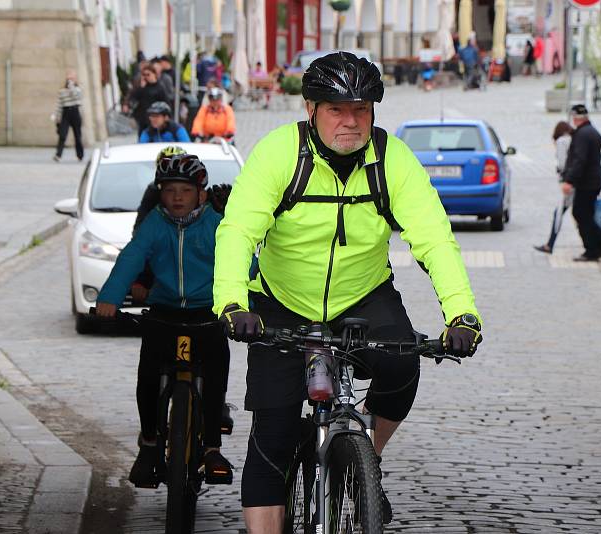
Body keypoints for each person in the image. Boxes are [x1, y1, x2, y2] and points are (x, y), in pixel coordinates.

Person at [212, 51, 482, 532]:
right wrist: (232, 302)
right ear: (310, 109)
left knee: (402, 364)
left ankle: (363, 462)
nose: (351, 122)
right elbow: (238, 231)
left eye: (361, 110)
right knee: (272, 436)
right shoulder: (279, 153)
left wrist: (461, 313)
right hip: (281, 302)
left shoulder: (391, 159)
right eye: (337, 109)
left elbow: (435, 238)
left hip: (363, 295)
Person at [95, 153, 235, 487]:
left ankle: (212, 447)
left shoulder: (216, 222)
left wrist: (251, 303)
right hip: (164, 311)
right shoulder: (155, 223)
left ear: (201, 193)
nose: (176, 197)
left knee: (216, 372)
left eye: (184, 191)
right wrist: (109, 299)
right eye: (169, 190)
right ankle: (149, 442)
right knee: (148, 374)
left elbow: (240, 260)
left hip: (206, 312)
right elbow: (132, 257)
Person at [561, 104, 601, 261]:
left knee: (581, 214)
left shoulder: (582, 135)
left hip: (586, 182)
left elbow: (579, 161)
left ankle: (593, 248)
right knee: (585, 214)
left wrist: (569, 180)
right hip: (593, 180)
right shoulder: (593, 132)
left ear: (575, 118)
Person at [534, 121, 575, 254]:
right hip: (578, 182)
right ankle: (550, 244)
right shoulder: (574, 139)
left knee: (559, 214)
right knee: (580, 214)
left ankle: (550, 244)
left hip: (569, 185)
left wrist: (564, 180)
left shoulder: (561, 142)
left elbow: (563, 163)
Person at [126, 65, 170, 136]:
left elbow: (165, 101)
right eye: (144, 75)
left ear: (154, 74)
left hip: (156, 118)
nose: (146, 77)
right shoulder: (142, 87)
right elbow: (134, 97)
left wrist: (166, 115)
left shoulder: (159, 87)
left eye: (148, 74)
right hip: (143, 118)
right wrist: (141, 87)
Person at [53, 71, 84, 162]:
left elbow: (76, 96)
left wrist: (71, 87)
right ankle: (58, 155)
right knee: (62, 135)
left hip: (75, 112)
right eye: (69, 79)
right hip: (65, 113)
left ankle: (80, 155)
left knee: (77, 135)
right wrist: (57, 116)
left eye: (72, 79)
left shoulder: (78, 89)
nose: (70, 81)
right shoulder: (62, 91)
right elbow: (59, 104)